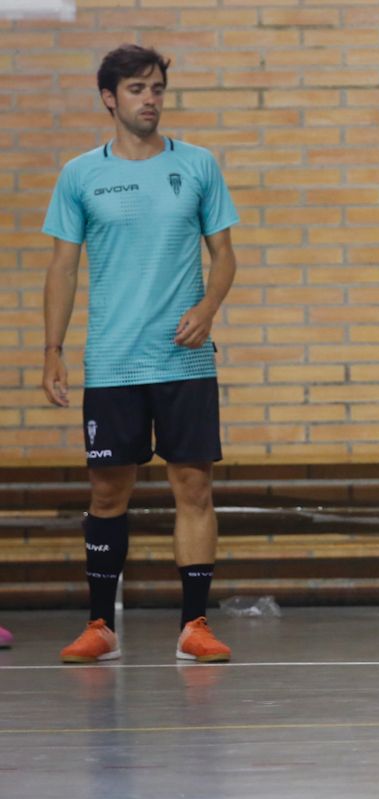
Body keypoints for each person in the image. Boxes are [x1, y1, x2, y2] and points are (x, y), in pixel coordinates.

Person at [41, 44, 238, 664]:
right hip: (113, 362)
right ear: (109, 98)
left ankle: (194, 625)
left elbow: (225, 256)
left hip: (184, 362)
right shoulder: (80, 175)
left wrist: (206, 310)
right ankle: (100, 624)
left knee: (194, 487)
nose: (149, 99)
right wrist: (53, 351)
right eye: (136, 89)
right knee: (107, 493)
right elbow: (63, 268)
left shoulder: (199, 165)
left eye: (156, 88)